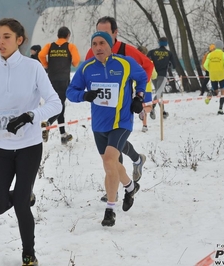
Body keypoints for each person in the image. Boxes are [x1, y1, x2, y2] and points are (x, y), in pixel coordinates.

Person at [0, 18, 61, 266]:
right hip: (1, 147)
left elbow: (55, 104)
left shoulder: (33, 68)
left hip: (28, 147)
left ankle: (29, 254)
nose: (0, 42)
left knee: (21, 205)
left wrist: (29, 116)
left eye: (6, 37)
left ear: (19, 40)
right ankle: (25, 195)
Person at [67, 31, 147, 226]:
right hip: (99, 125)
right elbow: (71, 92)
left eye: (102, 43)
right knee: (111, 164)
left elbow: (143, 77)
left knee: (110, 160)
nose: (98, 47)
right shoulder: (86, 68)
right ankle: (129, 187)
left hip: (121, 121)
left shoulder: (124, 63)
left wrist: (139, 97)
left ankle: (110, 210)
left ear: (110, 46)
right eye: (94, 44)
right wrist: (84, 96)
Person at [85, 16, 150, 201]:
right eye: (98, 33)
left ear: (115, 33)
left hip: (123, 111)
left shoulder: (126, 52)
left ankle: (113, 190)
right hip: (102, 114)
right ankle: (137, 159)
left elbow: (147, 67)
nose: (100, 41)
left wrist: (139, 95)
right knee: (112, 149)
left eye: (106, 34)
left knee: (111, 154)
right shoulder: (92, 54)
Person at [38, 26, 80, 145]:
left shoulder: (50, 46)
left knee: (58, 104)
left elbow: (41, 55)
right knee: (60, 105)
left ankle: (63, 134)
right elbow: (76, 61)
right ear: (68, 36)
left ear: (58, 35)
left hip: (51, 79)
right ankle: (48, 124)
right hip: (63, 79)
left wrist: (47, 65)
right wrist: (70, 62)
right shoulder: (70, 46)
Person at [147, 36, 175, 118]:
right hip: (162, 75)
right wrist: (168, 64)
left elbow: (146, 60)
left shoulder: (152, 52)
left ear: (159, 43)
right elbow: (174, 65)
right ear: (166, 44)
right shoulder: (169, 53)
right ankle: (152, 108)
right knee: (159, 93)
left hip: (153, 75)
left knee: (159, 93)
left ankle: (163, 112)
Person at [203, 40, 224, 114]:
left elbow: (205, 65)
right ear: (222, 47)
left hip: (212, 75)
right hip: (221, 75)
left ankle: (210, 94)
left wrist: (210, 70)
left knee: (215, 91)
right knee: (223, 92)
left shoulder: (210, 54)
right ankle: (220, 109)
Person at [137, 45, 156, 132]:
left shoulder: (134, 62)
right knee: (147, 107)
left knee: (141, 106)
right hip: (146, 88)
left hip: (137, 88)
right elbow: (155, 75)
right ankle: (149, 111)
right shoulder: (149, 62)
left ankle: (145, 125)